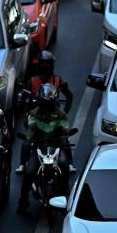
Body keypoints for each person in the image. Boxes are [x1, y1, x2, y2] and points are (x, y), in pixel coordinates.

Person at [17, 83, 72, 214]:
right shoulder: (33, 114)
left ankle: (66, 196)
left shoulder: (61, 114)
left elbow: (65, 130)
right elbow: (30, 131)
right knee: (30, 172)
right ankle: (23, 202)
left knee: (64, 165)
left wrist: (63, 139)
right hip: (39, 148)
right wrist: (29, 141)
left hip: (55, 148)